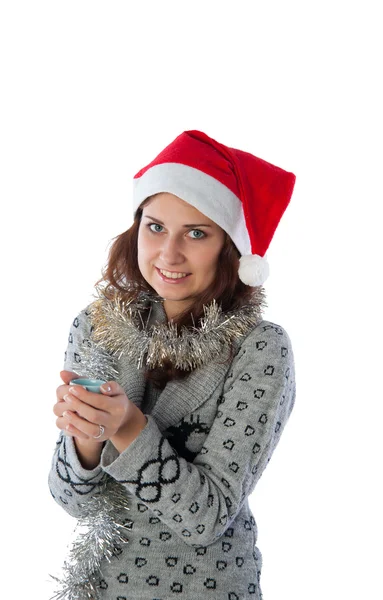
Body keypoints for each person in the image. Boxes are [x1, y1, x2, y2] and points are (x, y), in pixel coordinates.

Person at [48, 129, 297, 600]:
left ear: (231, 248)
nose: (168, 254)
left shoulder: (260, 349)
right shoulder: (96, 326)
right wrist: (84, 440)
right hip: (99, 588)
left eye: (197, 233)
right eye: (156, 226)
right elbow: (72, 502)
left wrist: (126, 427)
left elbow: (208, 517)